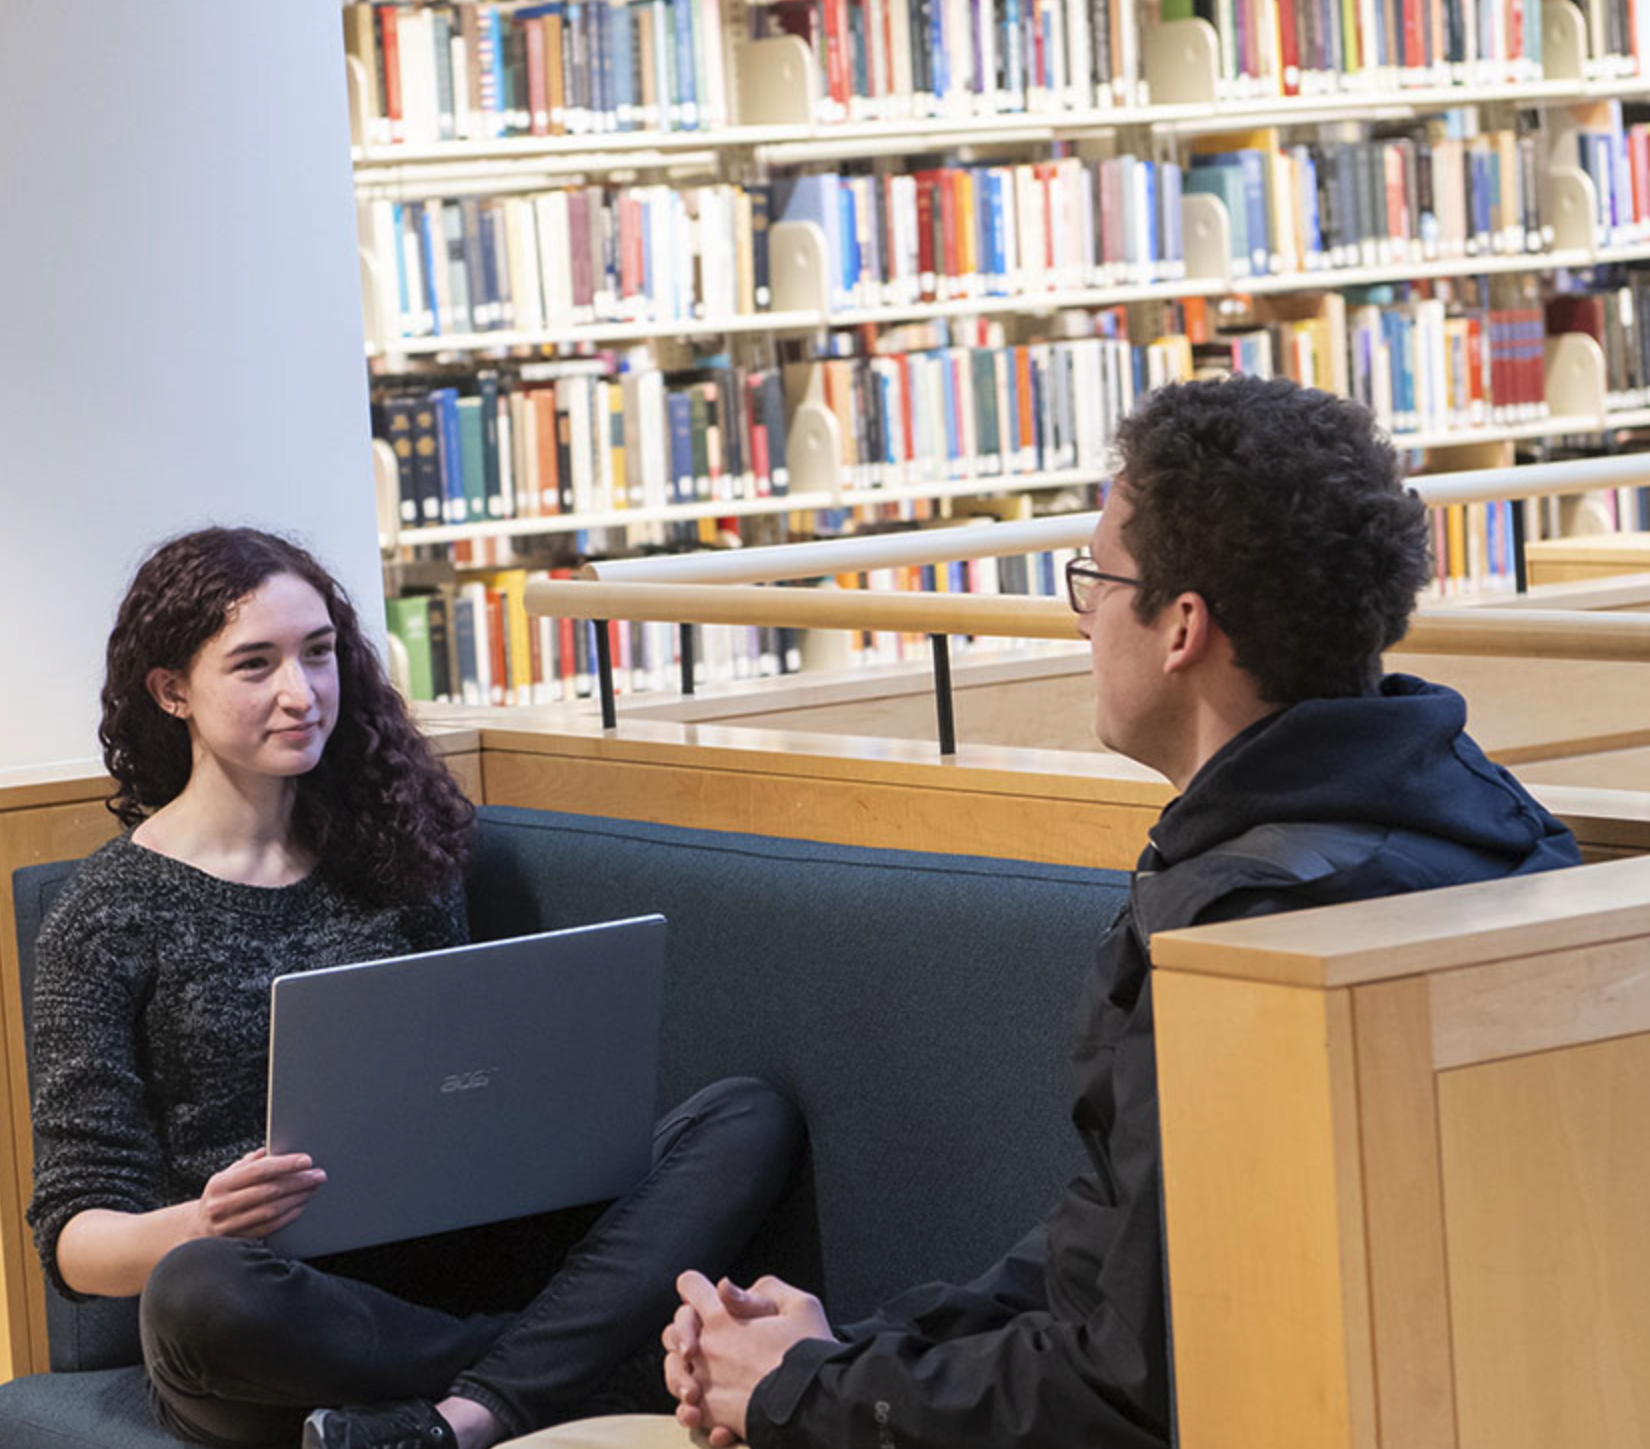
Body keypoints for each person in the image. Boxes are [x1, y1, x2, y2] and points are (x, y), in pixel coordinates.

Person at [657, 376, 1581, 1447]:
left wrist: (798, 1397)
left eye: (1095, 577)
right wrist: (840, 1359)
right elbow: (1122, 1269)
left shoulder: (1245, 943)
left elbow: (1120, 1395)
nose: (1085, 614)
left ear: (1183, 625)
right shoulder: (1481, 820)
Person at [27, 526, 803, 1449]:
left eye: (319, 654)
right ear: (172, 692)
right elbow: (76, 1239)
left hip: (457, 1254)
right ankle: (585, 1367)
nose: (300, 692)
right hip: (287, 1308)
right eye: (254, 665)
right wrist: (204, 1219)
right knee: (200, 1294)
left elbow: (458, 1082)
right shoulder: (104, 914)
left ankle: (463, 1412)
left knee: (746, 1118)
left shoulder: (396, 847)